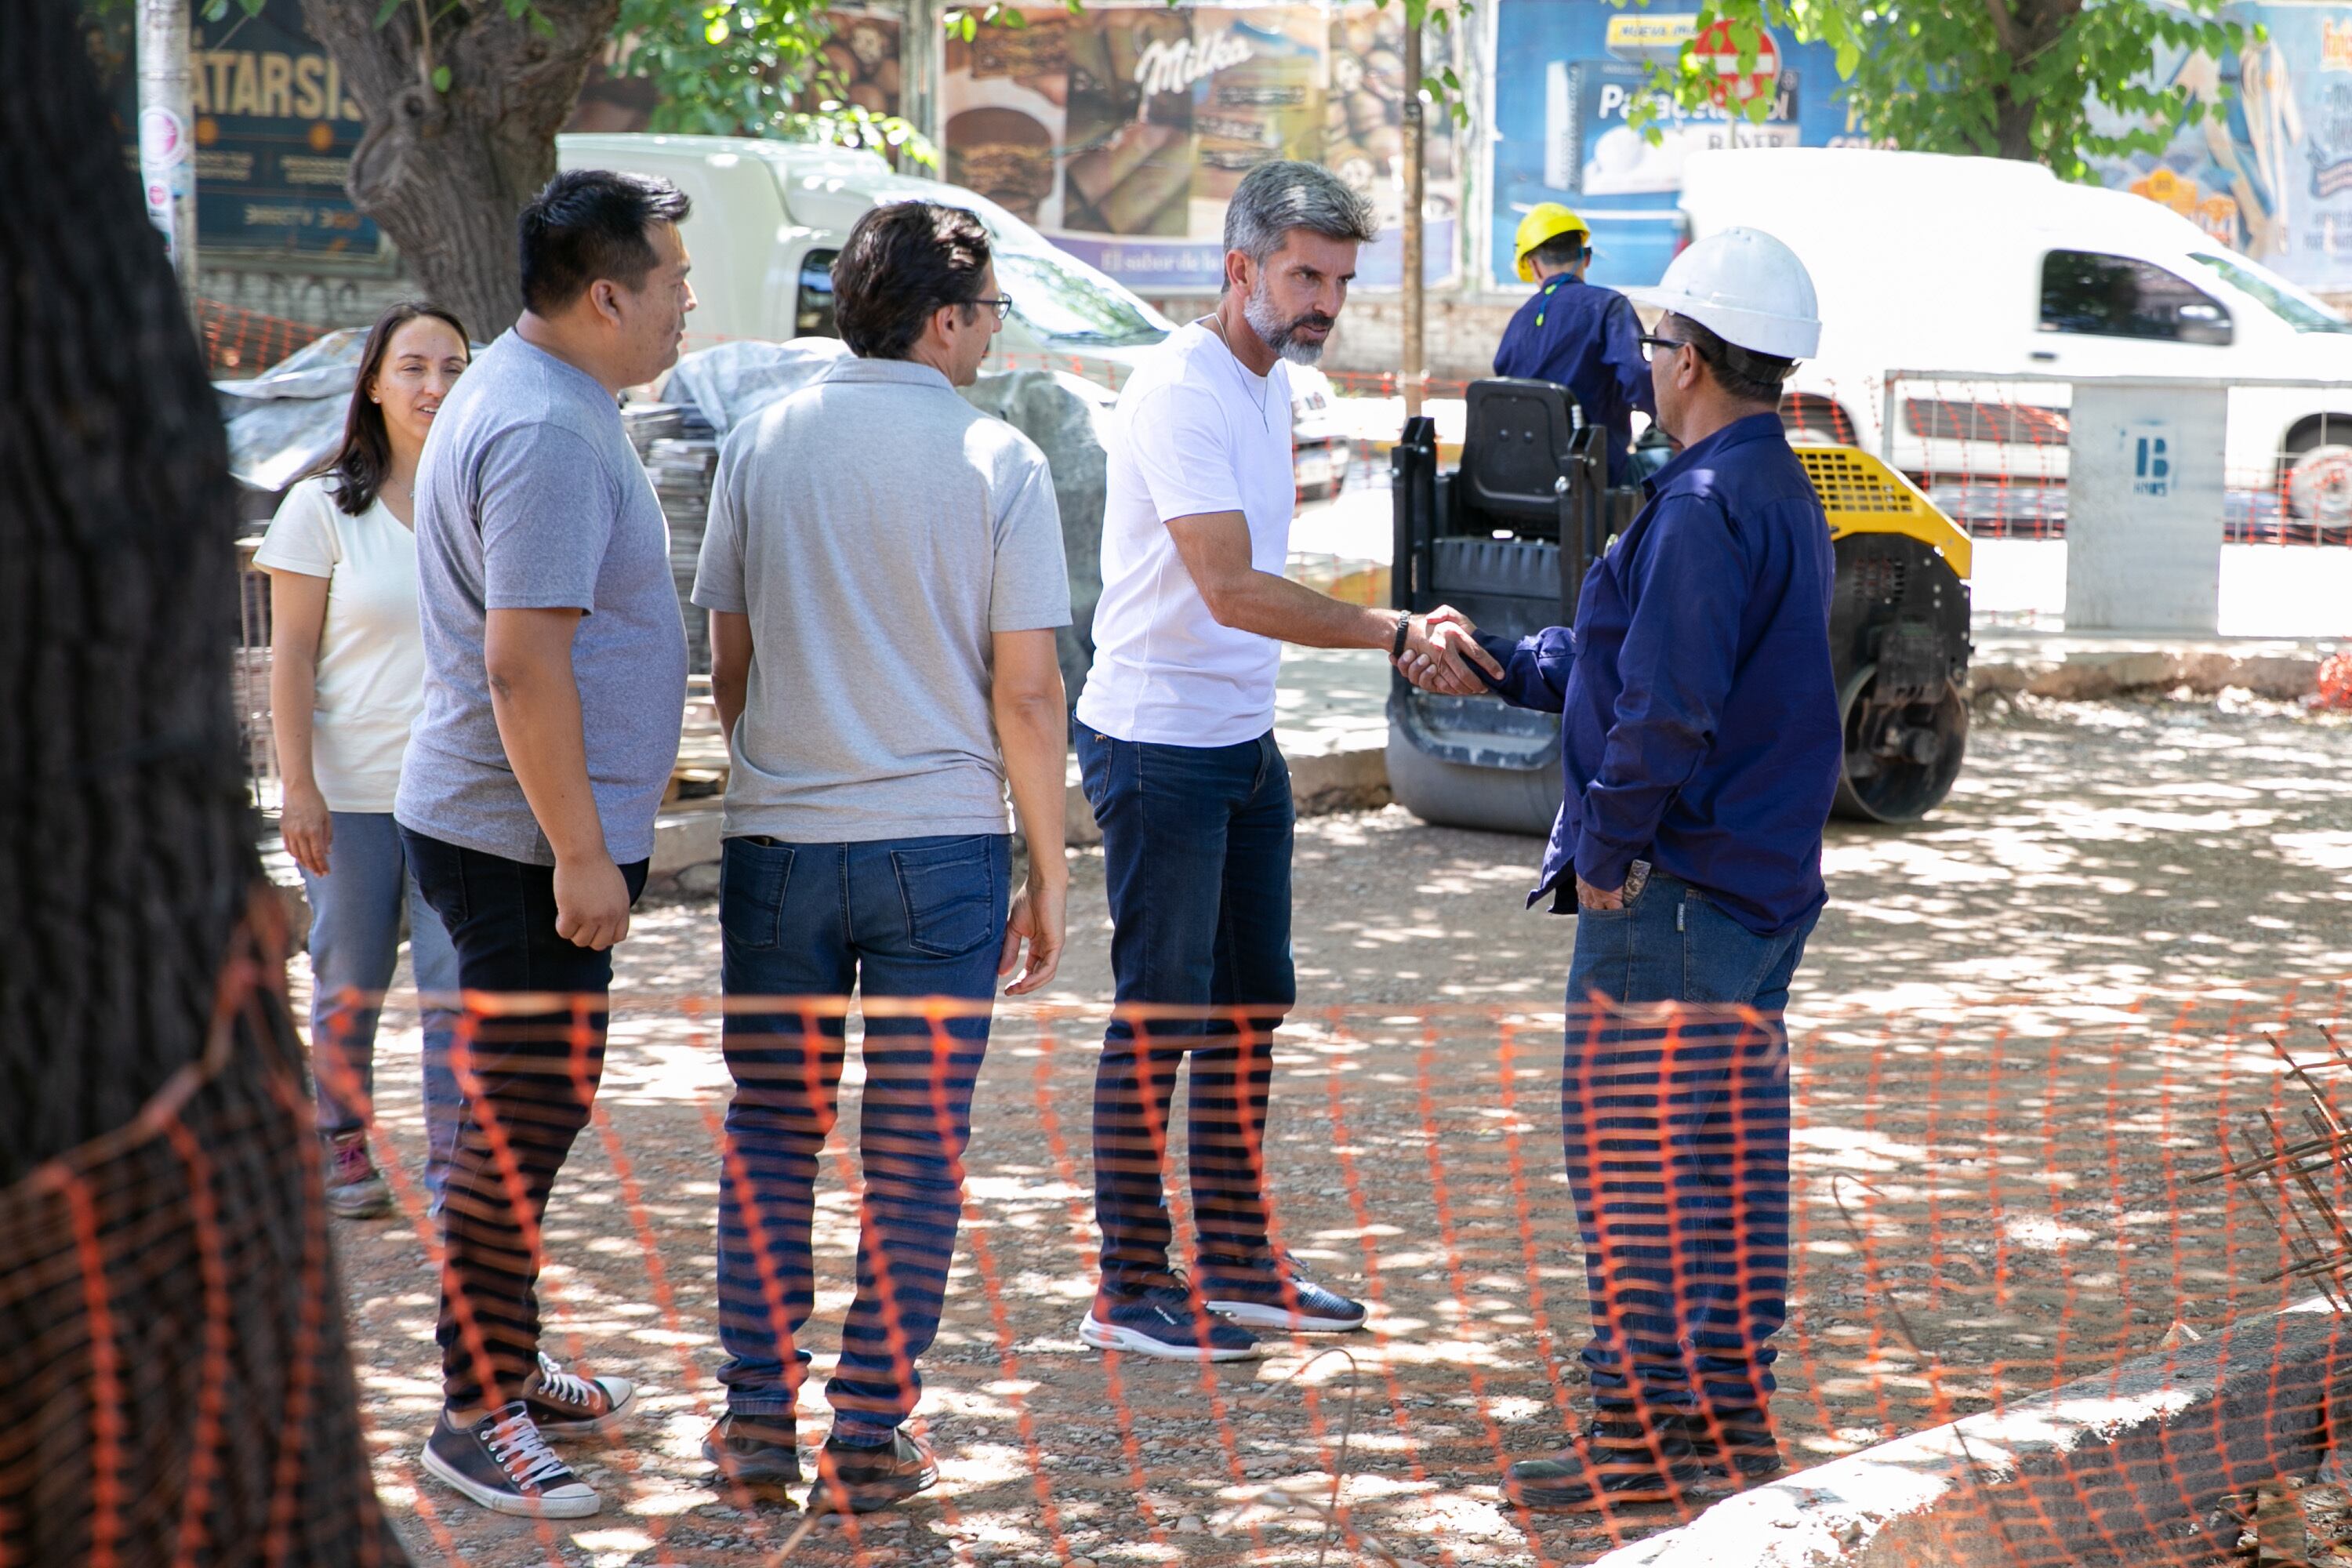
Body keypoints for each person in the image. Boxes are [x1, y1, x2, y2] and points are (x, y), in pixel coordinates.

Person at [1404, 227, 1839, 1512]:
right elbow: (1633, 660)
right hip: (1748, 890)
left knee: (1635, 1160)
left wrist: (1604, 854)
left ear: (1691, 358)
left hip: (1678, 893)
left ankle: (1637, 1436)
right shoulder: (1766, 487)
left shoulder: (1705, 506)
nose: (1645, 360)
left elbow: (1664, 712)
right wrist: (1499, 657)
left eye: (1656, 342)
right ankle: (1724, 1422)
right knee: (1723, 1157)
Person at [1073, 158, 1497, 1362]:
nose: (1325, 300)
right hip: (1157, 742)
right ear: (1241, 267)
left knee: (1251, 1009)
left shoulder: (1273, 385)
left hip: (1237, 740)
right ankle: (1126, 1284)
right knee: (1161, 1015)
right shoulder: (1182, 389)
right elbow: (1229, 586)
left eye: (1341, 280)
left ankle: (1240, 1262)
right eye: (1306, 274)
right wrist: (1396, 630)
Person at [691, 200, 1072, 1515]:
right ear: (946, 317)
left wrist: (797, 752)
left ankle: (752, 1417)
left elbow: (728, 664)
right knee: (915, 1150)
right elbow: (1027, 694)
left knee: (772, 1133)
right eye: (991, 312)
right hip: (942, 849)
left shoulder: (761, 439)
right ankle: (868, 1430)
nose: (993, 335)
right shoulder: (998, 458)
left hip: (780, 840)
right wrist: (1052, 869)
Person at [399, 169, 695, 1521]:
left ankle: (505, 1364)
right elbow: (523, 667)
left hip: (520, 828)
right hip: (521, 841)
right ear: (608, 295)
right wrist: (581, 850)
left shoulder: (546, 396)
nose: (688, 306)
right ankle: (473, 1414)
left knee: (530, 1109)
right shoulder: (550, 431)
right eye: (674, 284)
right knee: (516, 1123)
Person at [256, 302, 470, 1220]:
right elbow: (291, 656)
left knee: (458, 992)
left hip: (464, 798)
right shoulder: (322, 504)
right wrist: (297, 785)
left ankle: (456, 1172)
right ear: (375, 383)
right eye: (415, 366)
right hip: (351, 798)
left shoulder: (487, 500)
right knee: (351, 980)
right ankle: (340, 1141)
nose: (434, 385)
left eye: (454, 367)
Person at [1492, 204, 1656, 487]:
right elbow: (1639, 380)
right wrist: (1670, 422)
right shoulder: (1608, 307)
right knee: (1667, 460)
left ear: (1532, 265)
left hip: (1524, 481)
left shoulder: (1519, 321)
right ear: (1586, 258)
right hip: (1598, 479)